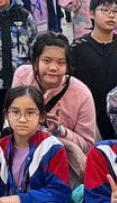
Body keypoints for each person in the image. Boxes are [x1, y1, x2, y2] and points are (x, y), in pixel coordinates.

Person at [10, 34, 97, 182]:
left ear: (67, 66)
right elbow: (14, 122)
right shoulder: (23, 76)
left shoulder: (81, 94)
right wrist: (59, 140)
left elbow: (87, 145)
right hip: (24, 154)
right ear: (35, 62)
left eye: (61, 63)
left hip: (65, 164)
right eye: (46, 60)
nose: (53, 68)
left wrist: (60, 131)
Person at [71, 0, 117, 143]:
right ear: (91, 14)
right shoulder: (77, 48)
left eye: (115, 11)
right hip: (87, 116)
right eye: (105, 10)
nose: (111, 15)